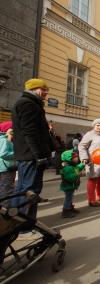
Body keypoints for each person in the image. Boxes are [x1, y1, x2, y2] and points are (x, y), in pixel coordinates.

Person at [11, 78, 53, 239]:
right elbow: (30, 132)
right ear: (35, 89)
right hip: (31, 156)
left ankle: (19, 223)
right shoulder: (28, 104)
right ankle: (23, 228)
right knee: (29, 191)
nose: (46, 92)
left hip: (29, 155)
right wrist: (39, 155)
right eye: (43, 89)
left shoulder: (29, 103)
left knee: (24, 190)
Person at [78, 119, 100, 207]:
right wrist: (84, 157)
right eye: (98, 125)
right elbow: (82, 146)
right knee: (92, 179)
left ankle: (99, 197)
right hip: (93, 160)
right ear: (94, 126)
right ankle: (91, 200)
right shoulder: (90, 134)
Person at [59, 150, 84, 218]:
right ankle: (65, 211)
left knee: (70, 198)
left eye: (77, 157)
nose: (77, 158)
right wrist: (77, 174)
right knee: (68, 198)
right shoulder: (67, 168)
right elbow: (70, 178)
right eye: (75, 157)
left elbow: (78, 168)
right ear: (69, 159)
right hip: (68, 186)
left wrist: (83, 164)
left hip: (71, 186)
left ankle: (70, 208)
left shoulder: (73, 166)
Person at [0, 123, 15, 208]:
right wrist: (17, 153)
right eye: (12, 129)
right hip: (6, 168)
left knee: (4, 189)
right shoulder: (4, 140)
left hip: (3, 168)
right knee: (6, 190)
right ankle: (5, 212)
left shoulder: (5, 139)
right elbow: (4, 154)